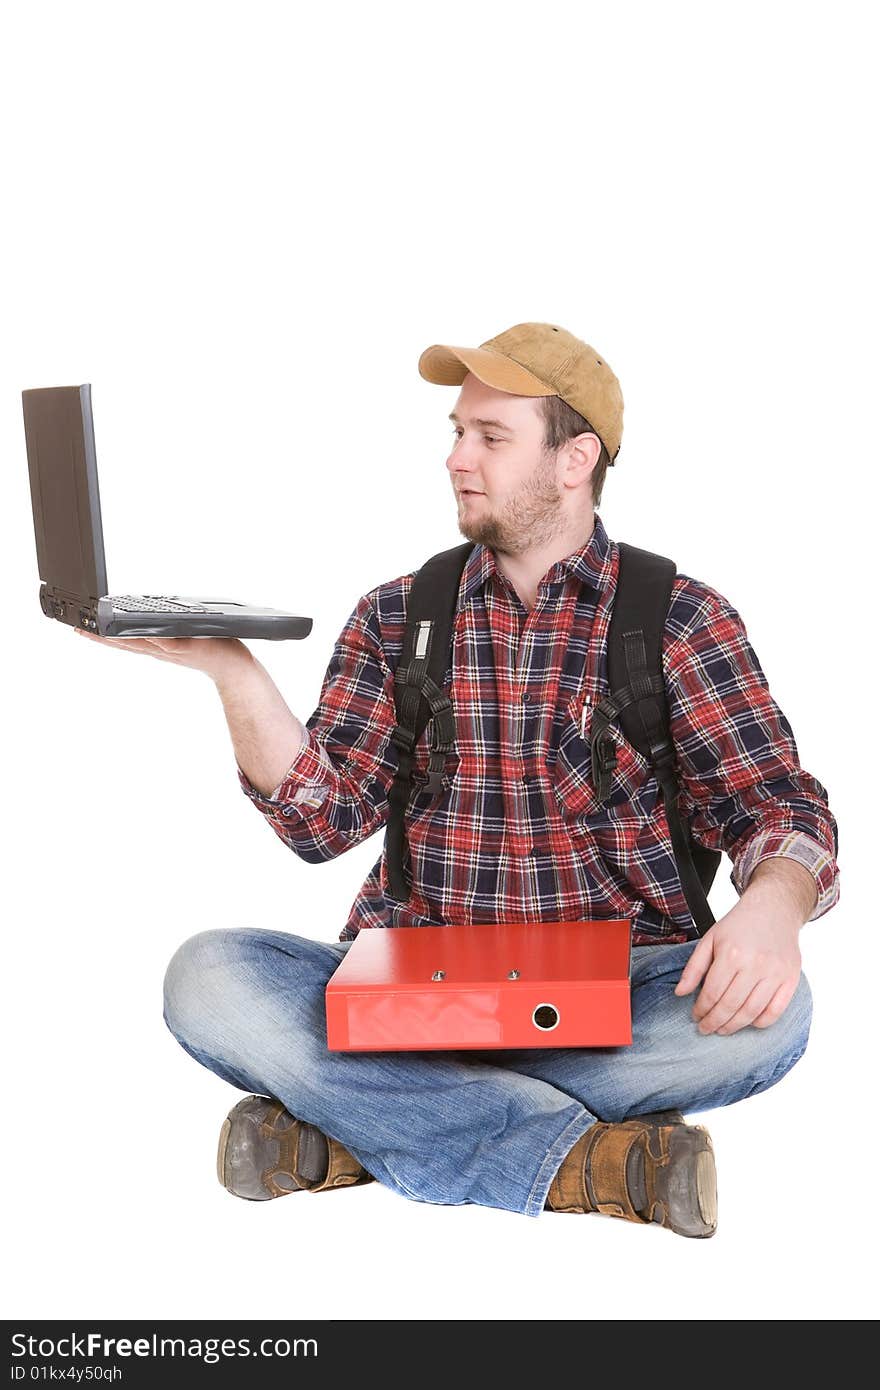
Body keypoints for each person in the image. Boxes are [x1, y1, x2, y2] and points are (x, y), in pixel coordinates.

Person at [74, 322, 839, 1237]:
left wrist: (773, 909)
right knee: (207, 979)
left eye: (490, 437)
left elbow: (775, 805)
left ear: (574, 459)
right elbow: (323, 821)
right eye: (455, 431)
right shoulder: (399, 614)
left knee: (776, 1013)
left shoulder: (676, 618)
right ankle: (578, 1161)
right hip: (409, 990)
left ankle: (358, 1128)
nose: (455, 459)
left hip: (617, 996)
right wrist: (234, 672)